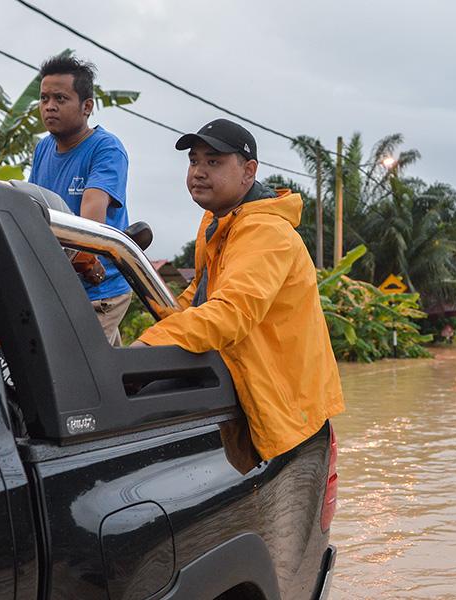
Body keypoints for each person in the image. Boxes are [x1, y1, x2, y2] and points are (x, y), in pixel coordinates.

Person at [132, 118, 344, 469]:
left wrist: (145, 350)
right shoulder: (219, 222)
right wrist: (152, 302)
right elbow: (200, 297)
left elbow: (231, 312)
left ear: (249, 172)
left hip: (287, 415)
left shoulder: (264, 232)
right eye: (193, 160)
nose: (198, 171)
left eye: (213, 161)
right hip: (254, 389)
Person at [29, 54, 132, 346]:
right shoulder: (43, 149)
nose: (49, 106)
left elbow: (91, 223)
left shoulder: (105, 149)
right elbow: (32, 205)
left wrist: (83, 257)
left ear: (87, 107)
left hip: (99, 287)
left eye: (60, 98)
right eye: (44, 98)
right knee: (108, 377)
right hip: (58, 282)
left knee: (77, 374)